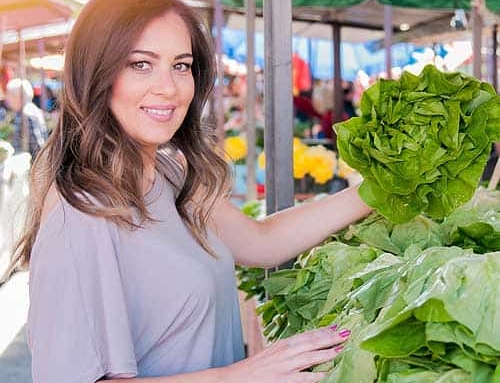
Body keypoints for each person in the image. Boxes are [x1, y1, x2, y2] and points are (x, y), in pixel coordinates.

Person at [3, 1, 372, 382]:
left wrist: (373, 193)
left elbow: (263, 241)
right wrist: (238, 376)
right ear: (95, 73)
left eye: (181, 65)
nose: (168, 87)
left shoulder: (169, 173)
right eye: (140, 63)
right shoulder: (80, 210)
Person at [4, 78, 49, 158]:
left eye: (9, 95)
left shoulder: (27, 114)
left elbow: (37, 146)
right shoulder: (29, 110)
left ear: (18, 96)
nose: (7, 98)